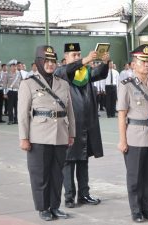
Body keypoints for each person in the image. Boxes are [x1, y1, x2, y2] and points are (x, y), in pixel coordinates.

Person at [18, 45, 75, 221]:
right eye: (46, 61)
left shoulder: (63, 84)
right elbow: (22, 113)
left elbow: (70, 110)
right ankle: (43, 208)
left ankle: (55, 206)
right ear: (39, 62)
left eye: (53, 61)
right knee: (40, 174)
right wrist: (24, 137)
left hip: (60, 134)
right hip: (38, 136)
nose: (50, 65)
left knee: (57, 174)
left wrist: (71, 133)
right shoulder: (28, 84)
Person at [54, 43, 109, 208]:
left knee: (83, 160)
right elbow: (68, 70)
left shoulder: (85, 73)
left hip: (86, 124)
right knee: (69, 161)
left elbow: (100, 73)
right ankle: (69, 197)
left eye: (79, 54)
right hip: (70, 125)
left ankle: (84, 195)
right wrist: (84, 60)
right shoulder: (61, 72)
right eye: (74, 55)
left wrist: (105, 63)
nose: (77, 57)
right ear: (66, 57)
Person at [117, 44, 148, 223]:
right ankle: (136, 211)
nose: (145, 65)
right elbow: (121, 115)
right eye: (142, 62)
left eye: (147, 61)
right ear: (133, 64)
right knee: (135, 178)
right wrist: (122, 140)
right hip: (134, 137)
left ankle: (147, 209)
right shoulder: (126, 86)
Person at [6, 59, 21, 125]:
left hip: (17, 92)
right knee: (10, 106)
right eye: (13, 66)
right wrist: (4, 93)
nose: (14, 67)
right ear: (10, 67)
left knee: (17, 106)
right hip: (10, 92)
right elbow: (4, 84)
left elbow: (21, 83)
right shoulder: (7, 74)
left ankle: (16, 119)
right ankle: (10, 120)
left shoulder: (19, 74)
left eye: (15, 66)